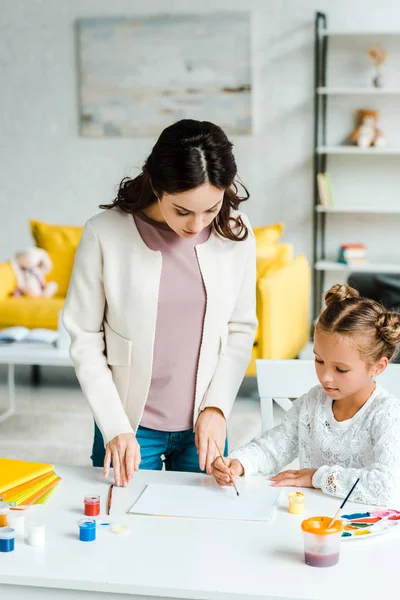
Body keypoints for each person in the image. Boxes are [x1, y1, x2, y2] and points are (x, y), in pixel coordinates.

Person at [63, 119, 257, 487]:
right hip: (128, 428)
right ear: (157, 185)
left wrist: (217, 408)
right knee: (119, 531)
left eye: (210, 209)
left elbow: (241, 327)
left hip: (205, 425)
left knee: (203, 533)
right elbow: (84, 337)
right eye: (182, 211)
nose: (196, 225)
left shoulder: (237, 232)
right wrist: (115, 426)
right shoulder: (104, 234)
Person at [212, 283, 400, 506]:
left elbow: (388, 487)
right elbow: (274, 446)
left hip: (367, 527)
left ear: (377, 367)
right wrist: (240, 462)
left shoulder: (386, 414)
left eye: (340, 369)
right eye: (319, 360)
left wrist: (316, 477)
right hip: (311, 519)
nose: (325, 377)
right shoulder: (313, 403)